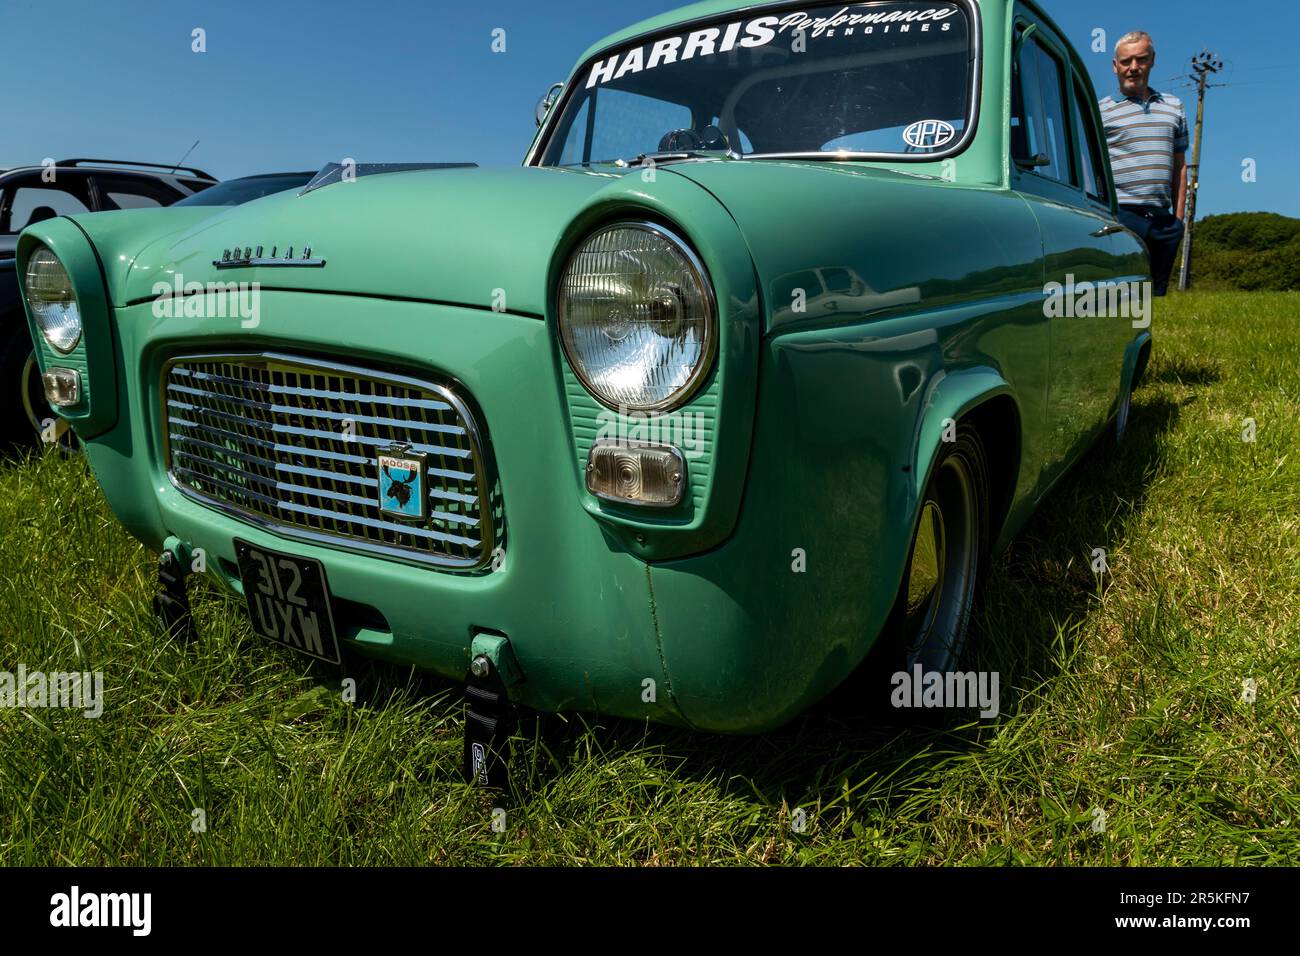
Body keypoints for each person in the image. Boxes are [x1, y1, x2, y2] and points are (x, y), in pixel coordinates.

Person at [1099, 31, 1189, 296]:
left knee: (1158, 298)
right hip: (1121, 216)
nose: (1133, 68)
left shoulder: (1174, 106)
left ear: (1152, 61)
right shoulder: (1101, 110)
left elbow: (1180, 166)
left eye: (1141, 59)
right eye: (1126, 61)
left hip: (1163, 221)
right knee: (1123, 297)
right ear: (1115, 66)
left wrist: (1178, 219)